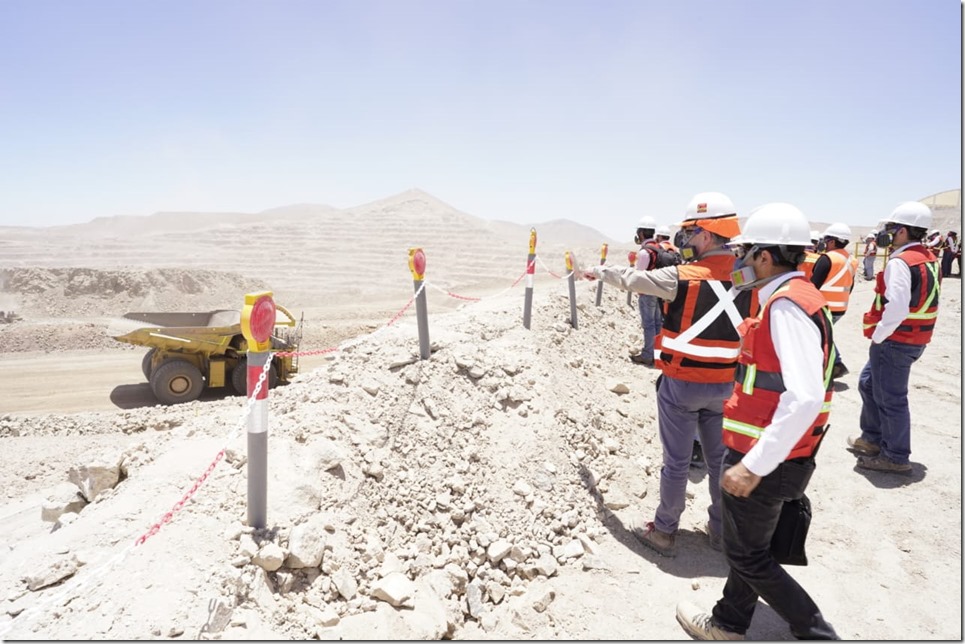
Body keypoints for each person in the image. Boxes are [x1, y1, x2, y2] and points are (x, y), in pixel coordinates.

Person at [676, 202, 839, 640]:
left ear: (766, 257)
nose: (740, 261)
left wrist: (753, 465)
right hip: (781, 454)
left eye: (747, 252)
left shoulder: (785, 306)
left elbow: (803, 397)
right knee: (753, 547)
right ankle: (729, 622)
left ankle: (817, 632)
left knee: (746, 555)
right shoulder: (797, 297)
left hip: (767, 457)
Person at [586, 192, 756, 556]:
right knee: (719, 463)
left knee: (677, 463)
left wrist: (598, 271)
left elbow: (632, 278)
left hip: (682, 386)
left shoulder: (681, 276)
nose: (686, 241)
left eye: (691, 234)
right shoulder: (750, 278)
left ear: (707, 235)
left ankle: (664, 531)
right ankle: (721, 531)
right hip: (727, 387)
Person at [848, 201, 941, 473]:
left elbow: (898, 305)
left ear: (902, 231)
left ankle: (896, 456)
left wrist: (879, 335)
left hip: (896, 341)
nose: (885, 234)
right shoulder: (927, 256)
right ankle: (872, 439)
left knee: (891, 398)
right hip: (913, 339)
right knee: (868, 383)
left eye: (889, 228)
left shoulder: (901, 261)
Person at [810, 223, 858, 379]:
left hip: (824, 307)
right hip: (840, 308)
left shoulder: (827, 258)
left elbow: (814, 284)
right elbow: (851, 285)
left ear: (831, 241)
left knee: (819, 337)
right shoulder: (851, 260)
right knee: (823, 335)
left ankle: (836, 364)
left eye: (826, 239)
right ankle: (834, 365)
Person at [630, 216, 663, 367]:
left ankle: (648, 355)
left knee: (649, 324)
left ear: (641, 233)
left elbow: (639, 275)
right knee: (657, 323)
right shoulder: (658, 248)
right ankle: (657, 354)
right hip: (658, 291)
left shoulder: (645, 252)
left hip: (647, 292)